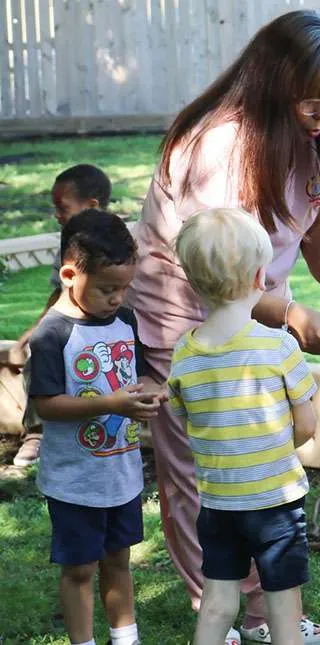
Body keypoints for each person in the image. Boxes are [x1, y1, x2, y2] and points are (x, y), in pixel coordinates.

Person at [127, 10, 320, 644]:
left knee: (254, 462)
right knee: (202, 474)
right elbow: (225, 273)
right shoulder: (219, 148)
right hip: (186, 319)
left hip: (256, 314)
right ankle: (232, 615)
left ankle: (256, 614)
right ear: (273, 79)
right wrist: (290, 315)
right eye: (313, 98)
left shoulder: (311, 142)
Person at [168, 209, 317, 645]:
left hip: (218, 502)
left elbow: (189, 421)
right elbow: (307, 425)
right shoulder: (279, 346)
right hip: (276, 500)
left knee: (217, 600)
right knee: (283, 604)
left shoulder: (184, 354)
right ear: (258, 277)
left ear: (193, 282)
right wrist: (276, 447)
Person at [28, 210, 165, 645]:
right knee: (80, 569)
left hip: (120, 474)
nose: (117, 298)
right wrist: (111, 404)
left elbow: (138, 374)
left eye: (124, 288)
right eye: (108, 288)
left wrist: (150, 390)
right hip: (75, 482)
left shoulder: (125, 320)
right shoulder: (52, 335)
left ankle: (126, 638)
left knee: (119, 561)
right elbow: (46, 405)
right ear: (70, 274)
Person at [7, 164, 112, 468]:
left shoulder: (116, 240)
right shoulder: (69, 240)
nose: (56, 214)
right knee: (40, 351)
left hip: (109, 323)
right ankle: (36, 432)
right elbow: (59, 293)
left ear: (91, 205)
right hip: (71, 322)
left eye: (62, 207)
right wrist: (35, 330)